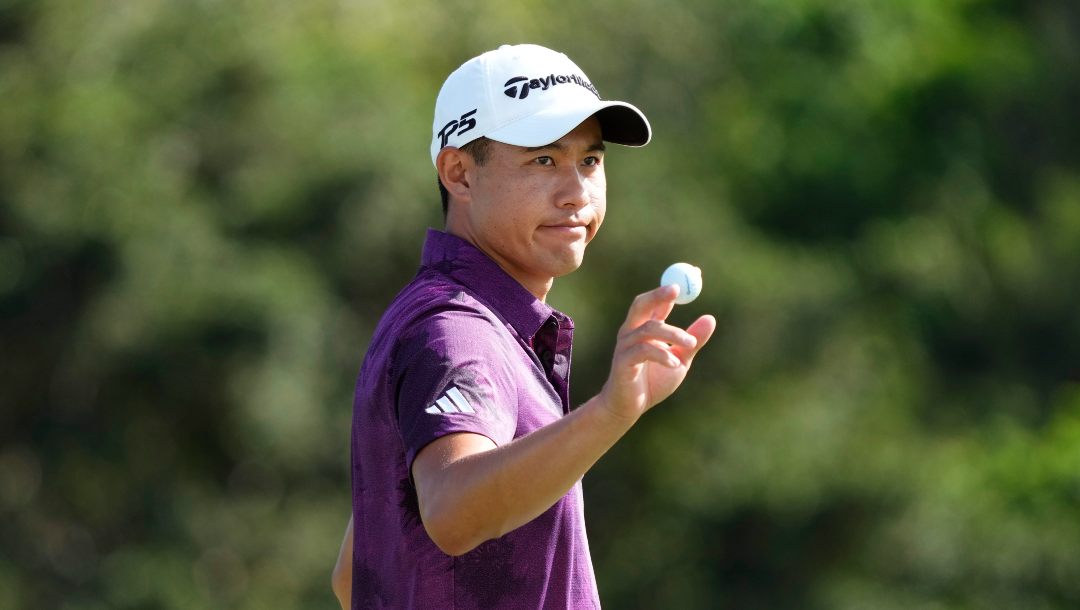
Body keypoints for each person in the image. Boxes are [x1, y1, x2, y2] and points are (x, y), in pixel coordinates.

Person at [332, 43, 715, 609]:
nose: (577, 192)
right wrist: (610, 412)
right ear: (459, 173)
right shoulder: (457, 331)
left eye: (590, 161)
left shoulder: (455, 317)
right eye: (543, 161)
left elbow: (355, 574)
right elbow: (453, 511)